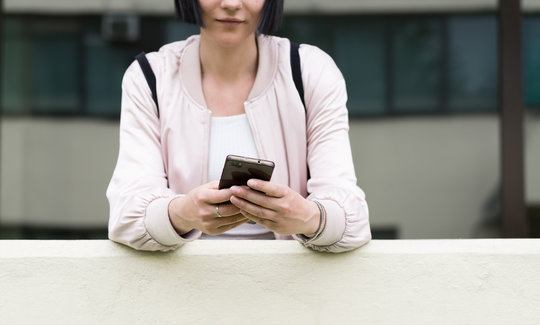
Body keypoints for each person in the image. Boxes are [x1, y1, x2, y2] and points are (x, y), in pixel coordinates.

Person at [106, 0, 371, 252]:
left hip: (289, 290)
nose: (232, 4)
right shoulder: (150, 77)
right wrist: (182, 214)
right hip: (183, 290)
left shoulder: (310, 71)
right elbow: (126, 217)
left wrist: (307, 218)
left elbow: (353, 220)